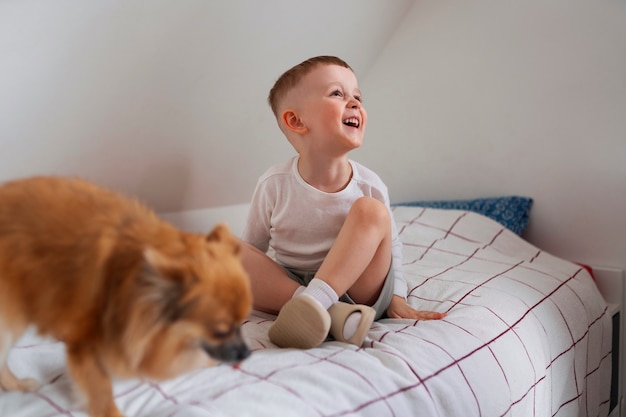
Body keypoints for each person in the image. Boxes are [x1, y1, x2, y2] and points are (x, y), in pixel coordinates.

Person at [240, 56, 445, 350]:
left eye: (357, 96)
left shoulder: (369, 185)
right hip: (293, 283)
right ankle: (332, 314)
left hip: (360, 287)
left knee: (370, 211)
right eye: (338, 93)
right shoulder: (274, 183)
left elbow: (394, 249)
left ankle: (314, 303)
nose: (354, 103)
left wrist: (397, 297)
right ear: (296, 121)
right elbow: (252, 249)